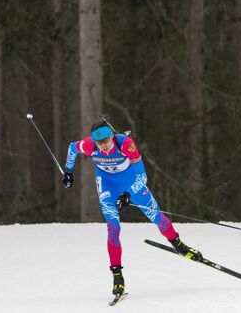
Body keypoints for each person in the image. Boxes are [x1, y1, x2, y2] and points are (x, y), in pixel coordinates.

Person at [63, 118, 202, 296]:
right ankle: (117, 276)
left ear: (112, 137)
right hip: (107, 184)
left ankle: (179, 245)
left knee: (156, 216)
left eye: (106, 141)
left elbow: (142, 176)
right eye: (99, 143)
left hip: (132, 181)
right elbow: (71, 148)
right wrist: (68, 172)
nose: (103, 146)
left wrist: (128, 194)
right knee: (113, 228)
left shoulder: (126, 144)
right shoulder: (89, 145)